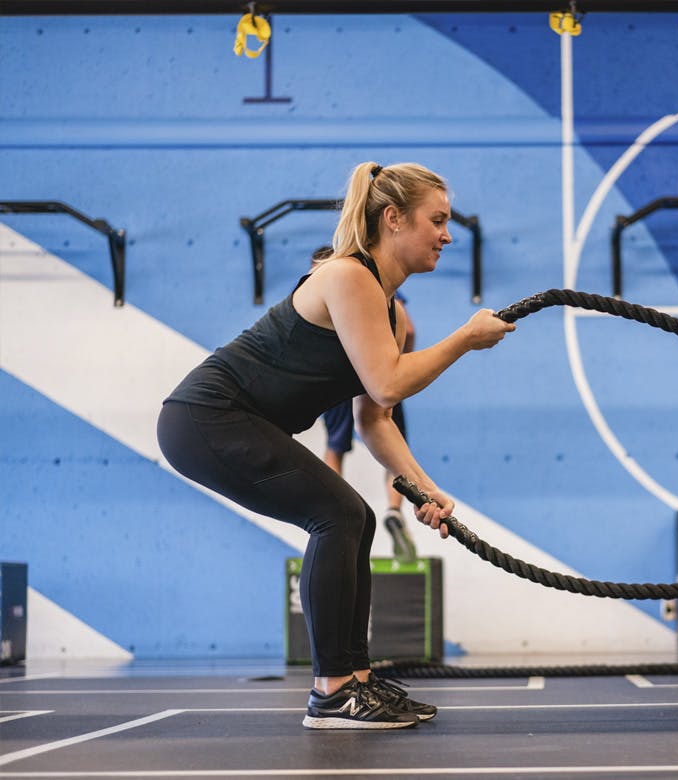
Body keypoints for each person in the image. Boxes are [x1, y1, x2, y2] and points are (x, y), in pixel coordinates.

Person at [157, 161, 514, 730]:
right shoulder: (348, 276)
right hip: (207, 417)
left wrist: (425, 488)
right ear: (393, 219)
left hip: (237, 422)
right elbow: (389, 382)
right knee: (338, 514)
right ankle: (331, 692)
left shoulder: (390, 314)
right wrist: (467, 339)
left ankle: (356, 680)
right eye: (438, 220)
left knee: (357, 518)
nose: (448, 235)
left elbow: (375, 419)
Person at [313, 247, 418, 562]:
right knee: (394, 451)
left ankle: (329, 507)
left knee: (335, 447)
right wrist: (401, 363)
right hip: (376, 374)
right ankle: (395, 508)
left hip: (337, 379)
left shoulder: (317, 292)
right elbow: (408, 329)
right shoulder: (372, 285)